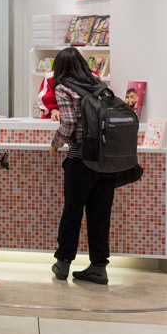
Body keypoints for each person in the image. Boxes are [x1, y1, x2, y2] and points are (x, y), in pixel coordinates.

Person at [48, 46, 119, 285]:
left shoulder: (63, 88)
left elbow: (67, 122)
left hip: (80, 160)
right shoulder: (99, 84)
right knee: (100, 215)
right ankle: (98, 267)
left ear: (60, 69)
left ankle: (63, 264)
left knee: (73, 212)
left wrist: (55, 144)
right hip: (106, 161)